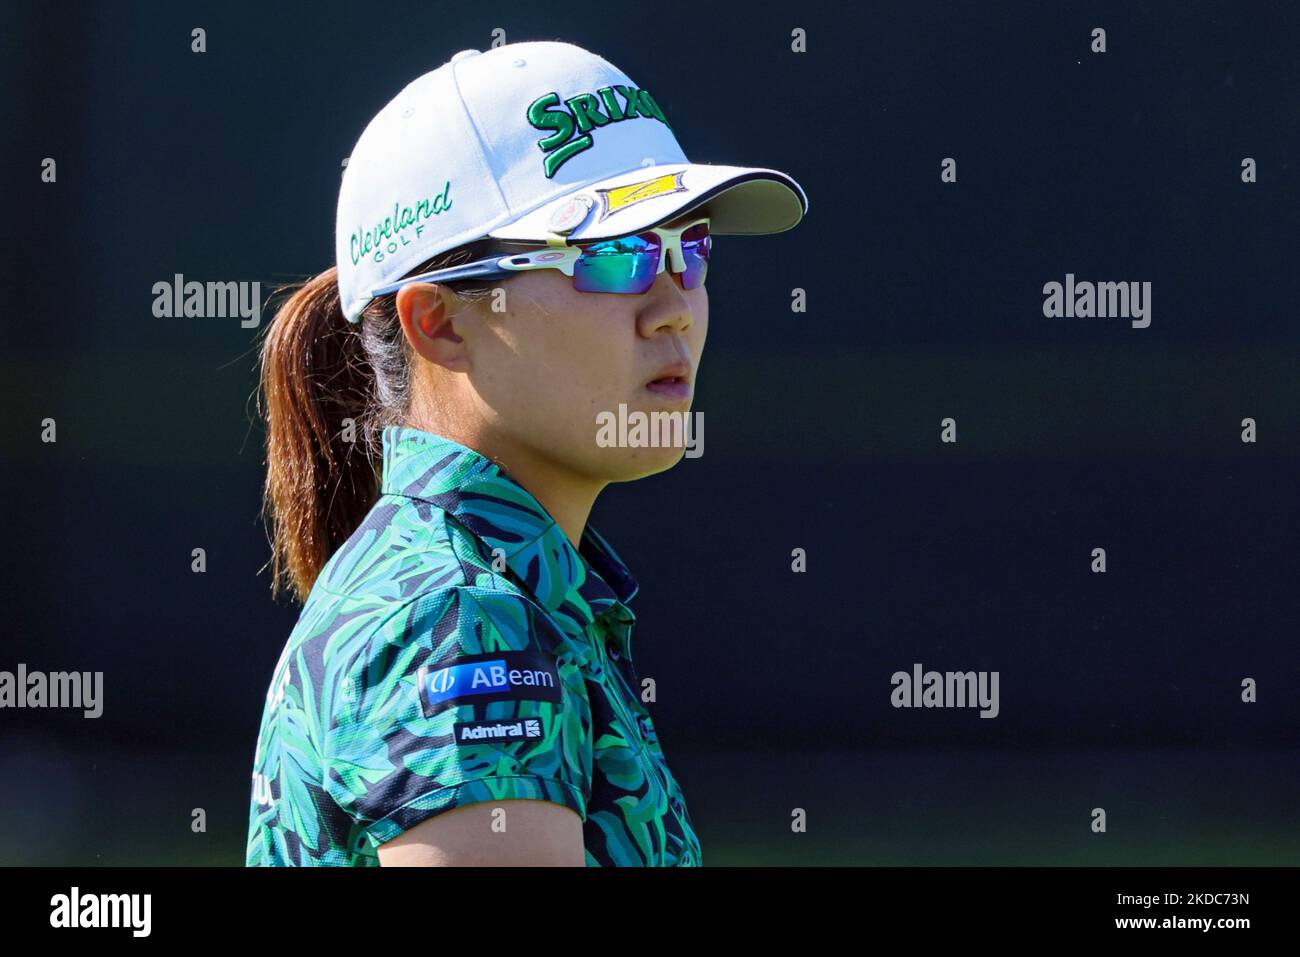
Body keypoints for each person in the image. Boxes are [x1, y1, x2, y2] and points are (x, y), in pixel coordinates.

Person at [245, 39, 808, 866]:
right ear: (437, 319)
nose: (675, 308)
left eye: (692, 248)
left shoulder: (497, 592)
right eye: (612, 254)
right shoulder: (459, 616)